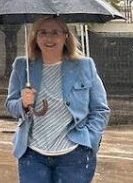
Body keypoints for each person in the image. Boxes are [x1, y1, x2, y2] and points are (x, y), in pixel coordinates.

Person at [6, 16, 109, 183]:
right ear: (35, 37)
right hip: (32, 154)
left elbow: (100, 109)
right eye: (43, 33)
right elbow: (10, 105)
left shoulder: (84, 66)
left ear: (65, 36)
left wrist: (90, 139)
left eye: (55, 32)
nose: (49, 38)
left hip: (75, 155)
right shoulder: (22, 66)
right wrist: (22, 104)